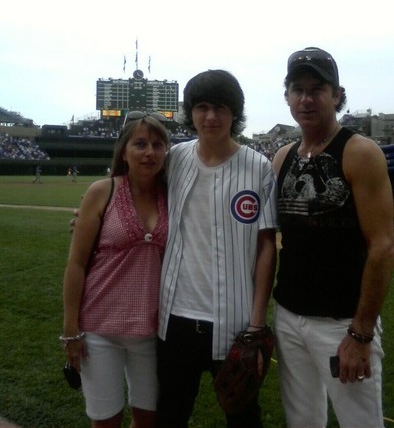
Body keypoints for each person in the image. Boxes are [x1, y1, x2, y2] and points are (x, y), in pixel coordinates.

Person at [272, 47, 394, 428]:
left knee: (360, 422)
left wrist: (360, 333)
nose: (306, 98)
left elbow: (382, 245)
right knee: (302, 421)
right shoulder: (283, 157)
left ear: (337, 95)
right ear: (287, 96)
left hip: (342, 321)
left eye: (317, 89)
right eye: (297, 89)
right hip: (290, 315)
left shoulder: (360, 152)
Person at [156, 69, 278, 428]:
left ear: (235, 113)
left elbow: (267, 246)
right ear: (190, 112)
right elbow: (134, 194)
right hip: (175, 318)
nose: (211, 117)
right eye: (202, 107)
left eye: (221, 107)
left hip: (236, 321)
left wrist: (257, 324)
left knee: (243, 418)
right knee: (170, 414)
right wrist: (94, 211)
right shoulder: (174, 159)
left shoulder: (258, 168)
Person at [61, 113, 170, 428]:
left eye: (157, 144)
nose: (149, 152)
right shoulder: (102, 190)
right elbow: (77, 263)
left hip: (151, 330)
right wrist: (70, 329)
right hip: (100, 328)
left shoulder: (172, 195)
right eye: (140, 144)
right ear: (124, 151)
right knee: (106, 421)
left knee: (148, 419)